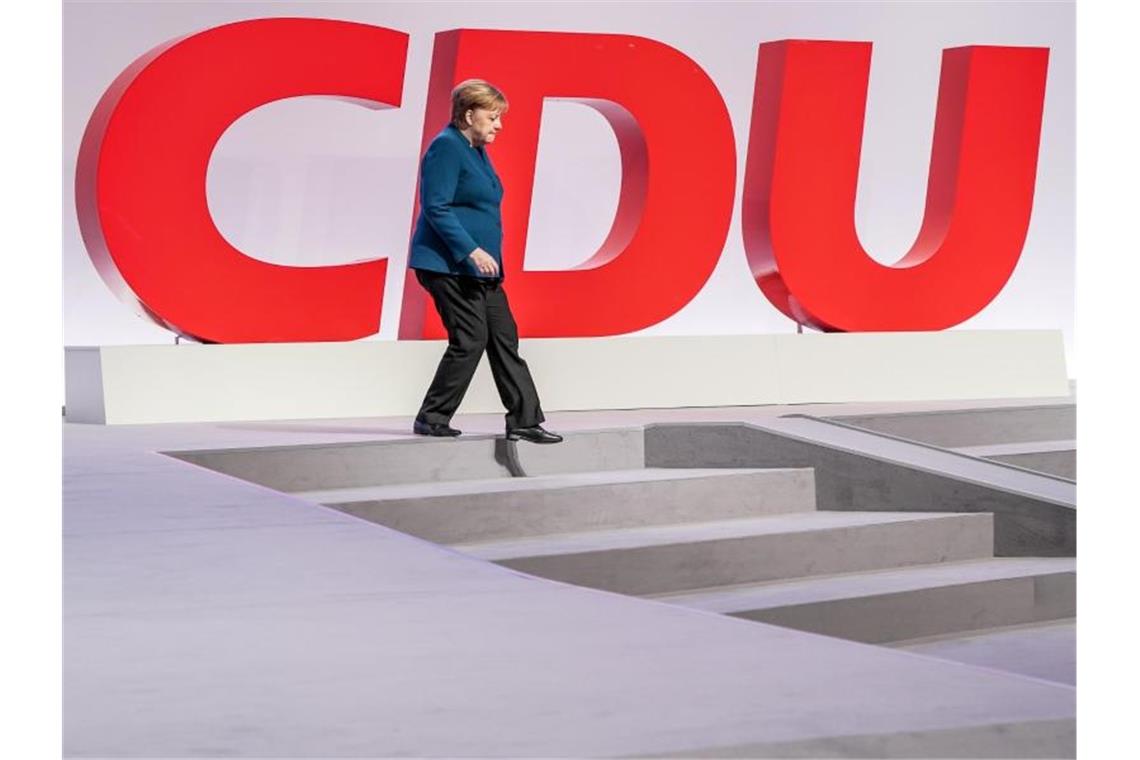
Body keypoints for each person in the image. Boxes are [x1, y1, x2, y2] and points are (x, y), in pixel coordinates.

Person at [407, 79, 562, 444]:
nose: (499, 125)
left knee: (504, 337)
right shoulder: (446, 147)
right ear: (468, 114)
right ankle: (431, 417)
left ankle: (524, 420)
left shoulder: (474, 149)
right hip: (448, 265)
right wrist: (471, 250)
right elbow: (436, 206)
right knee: (470, 339)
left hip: (478, 269)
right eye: (492, 117)